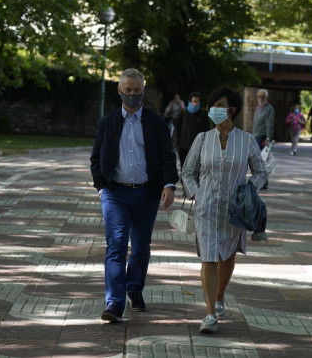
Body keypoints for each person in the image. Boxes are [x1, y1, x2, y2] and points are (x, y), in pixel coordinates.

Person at [90, 68, 178, 323]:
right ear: (119, 91)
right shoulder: (107, 122)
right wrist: (101, 187)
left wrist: (169, 184)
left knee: (140, 248)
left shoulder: (155, 123)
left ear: (143, 91)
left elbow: (167, 158)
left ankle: (134, 289)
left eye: (137, 91)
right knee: (116, 247)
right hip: (115, 194)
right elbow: (96, 158)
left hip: (146, 195)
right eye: (127, 91)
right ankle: (114, 303)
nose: (132, 95)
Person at [181, 86, 268, 334]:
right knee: (208, 257)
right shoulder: (202, 139)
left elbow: (261, 172)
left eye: (221, 105)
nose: (215, 110)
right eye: (213, 105)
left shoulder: (247, 140)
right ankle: (209, 313)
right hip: (206, 207)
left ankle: (219, 297)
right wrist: (197, 193)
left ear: (232, 110)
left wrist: (248, 192)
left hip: (235, 210)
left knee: (226, 256)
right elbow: (188, 172)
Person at [173, 91, 209, 170]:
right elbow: (177, 129)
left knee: (197, 169)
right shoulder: (183, 113)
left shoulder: (203, 114)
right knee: (184, 168)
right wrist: (177, 143)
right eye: (194, 101)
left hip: (198, 147)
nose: (196, 104)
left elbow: (207, 130)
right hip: (183, 147)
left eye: (198, 102)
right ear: (190, 102)